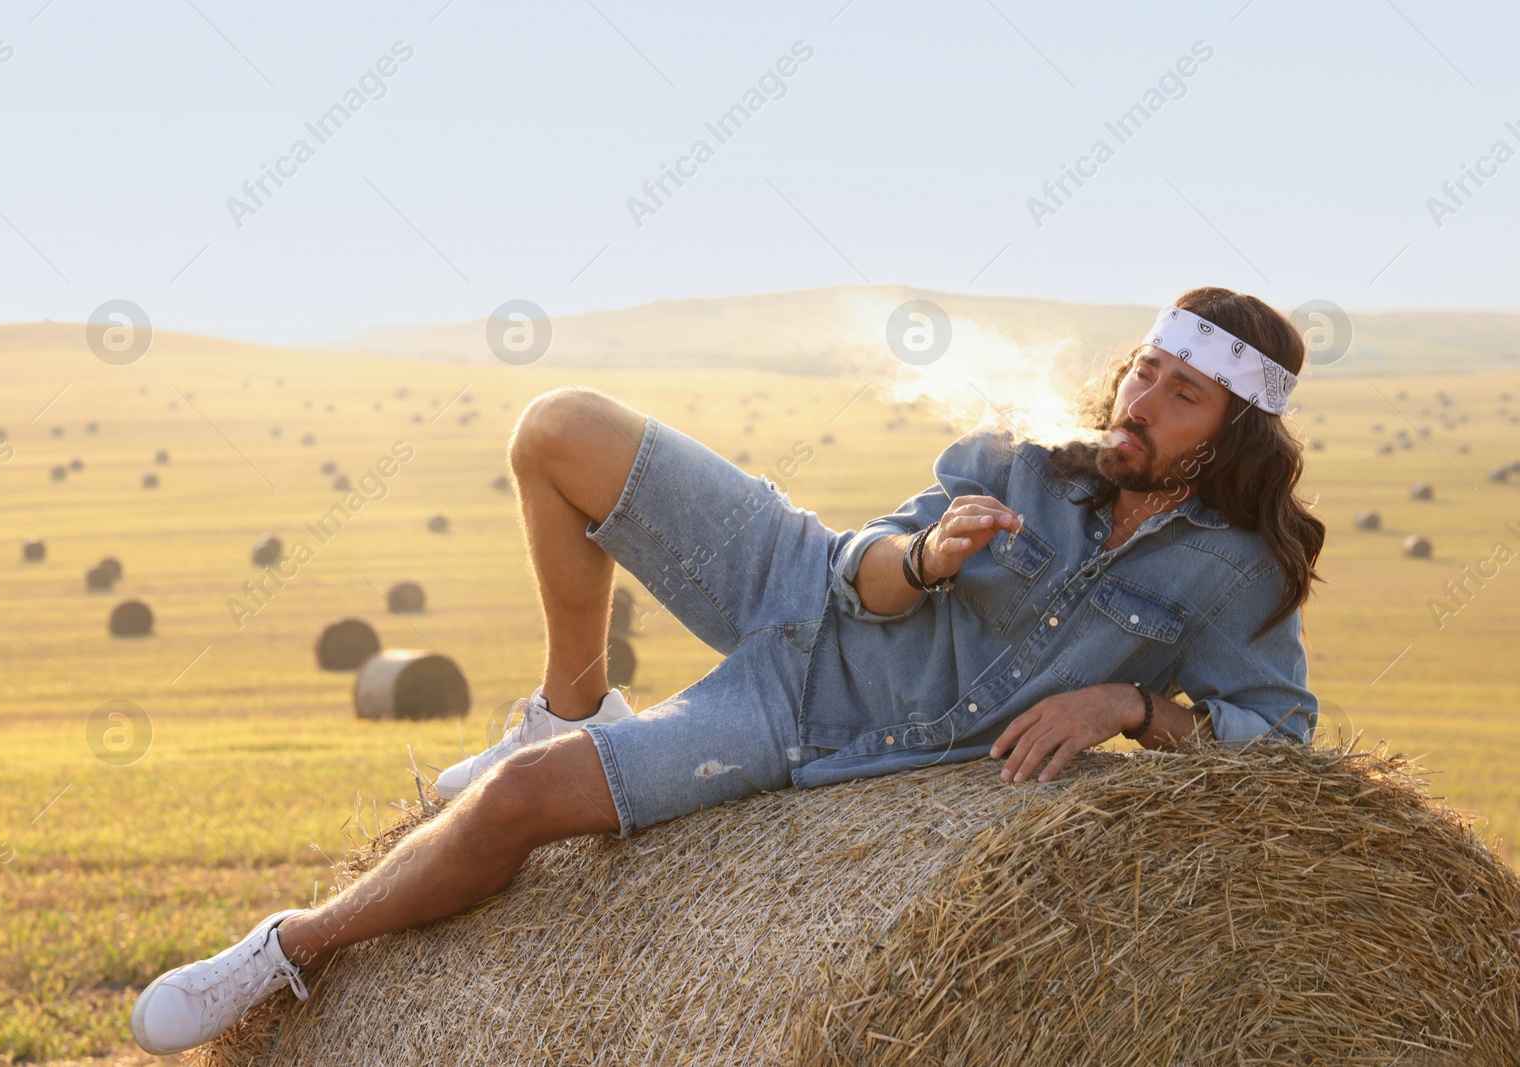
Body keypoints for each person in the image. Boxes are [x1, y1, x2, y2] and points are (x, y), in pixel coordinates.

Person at [130, 286, 1325, 1054]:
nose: (1142, 402)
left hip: (811, 713)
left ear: (1232, 432)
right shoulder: (1023, 456)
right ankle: (569, 699)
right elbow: (867, 566)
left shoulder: (1231, 578)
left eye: (1183, 393)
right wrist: (923, 553)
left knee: (518, 806)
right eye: (1144, 372)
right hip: (801, 582)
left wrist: (1130, 701)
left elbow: (1277, 734)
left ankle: (290, 946)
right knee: (560, 426)